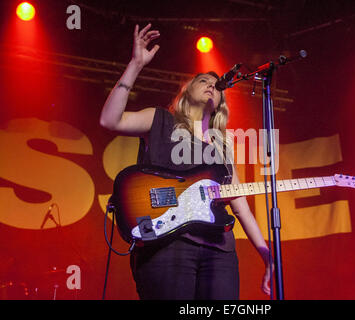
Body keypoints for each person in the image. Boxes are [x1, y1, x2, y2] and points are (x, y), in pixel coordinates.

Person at [100, 23, 273, 300]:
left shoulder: (221, 147)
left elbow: (241, 207)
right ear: (185, 90)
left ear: (220, 102)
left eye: (215, 85)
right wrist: (135, 64)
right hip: (167, 244)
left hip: (219, 249)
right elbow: (110, 120)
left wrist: (267, 255)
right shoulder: (160, 120)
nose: (211, 85)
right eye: (203, 80)